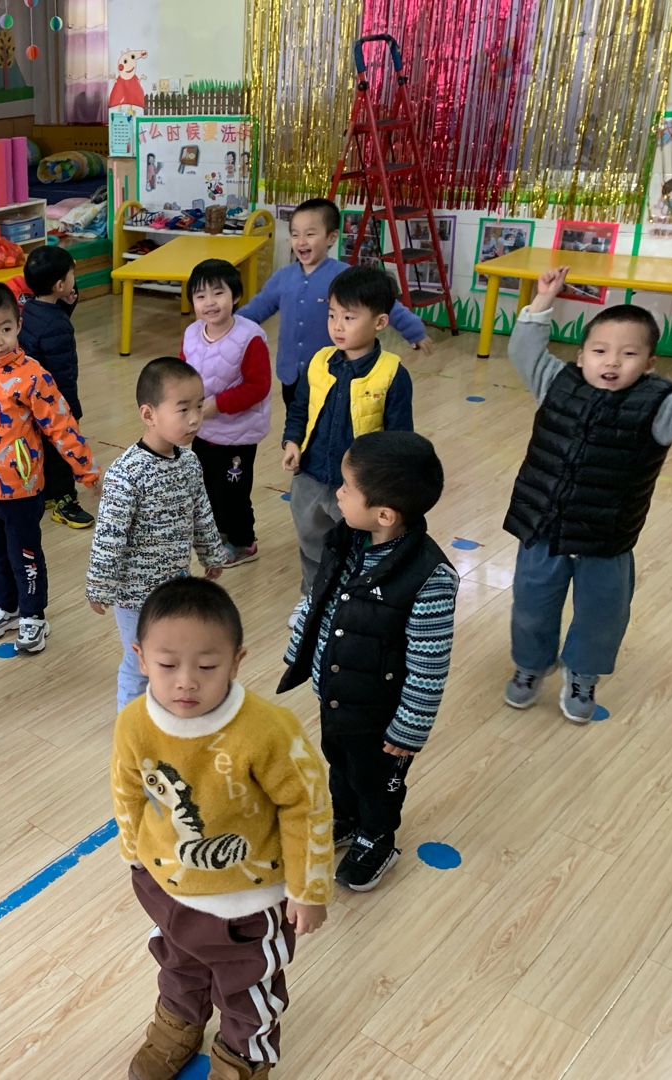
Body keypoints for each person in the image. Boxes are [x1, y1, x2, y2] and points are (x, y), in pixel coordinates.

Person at [112, 578, 331, 1080]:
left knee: (248, 990)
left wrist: (309, 888)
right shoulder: (134, 722)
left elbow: (308, 806)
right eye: (168, 665)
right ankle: (179, 1022)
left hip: (248, 904)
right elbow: (127, 788)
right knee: (176, 962)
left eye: (207, 666)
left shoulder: (270, 730)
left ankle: (241, 1059)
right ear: (141, 659)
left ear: (236, 662)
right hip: (168, 886)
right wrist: (134, 855)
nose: (186, 681)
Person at [502, 267, 672, 720]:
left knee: (602, 615)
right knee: (531, 606)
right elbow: (523, 350)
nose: (612, 362)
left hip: (607, 537)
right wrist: (542, 301)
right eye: (600, 350)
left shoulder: (659, 406)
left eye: (629, 354)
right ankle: (531, 665)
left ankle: (583, 674)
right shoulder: (556, 382)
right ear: (581, 355)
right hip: (543, 526)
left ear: (650, 364)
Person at [278, 431, 457, 891]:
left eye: (346, 488)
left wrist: (410, 727)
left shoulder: (429, 577)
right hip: (339, 695)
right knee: (340, 763)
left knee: (376, 780)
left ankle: (377, 835)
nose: (337, 493)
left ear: (384, 514)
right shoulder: (348, 539)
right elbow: (320, 597)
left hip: (383, 713)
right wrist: (301, 645)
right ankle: (346, 816)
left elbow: (430, 664)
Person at [0, 283, 99, 654]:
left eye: (5, 329)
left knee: (25, 557)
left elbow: (61, 424)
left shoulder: (32, 375)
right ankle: (7, 607)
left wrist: (85, 469)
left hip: (20, 489)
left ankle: (33, 615)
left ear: (18, 325)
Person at [87, 358, 226, 708]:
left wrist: (211, 553)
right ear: (149, 414)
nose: (195, 418)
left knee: (170, 657)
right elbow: (109, 537)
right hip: (135, 598)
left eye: (199, 406)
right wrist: (100, 585)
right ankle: (132, 724)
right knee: (140, 662)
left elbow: (201, 512)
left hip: (174, 588)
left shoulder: (189, 463)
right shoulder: (126, 474)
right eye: (183, 409)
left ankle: (164, 712)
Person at [281, 266, 414, 626]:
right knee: (311, 542)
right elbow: (299, 409)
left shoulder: (392, 373)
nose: (337, 326)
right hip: (310, 476)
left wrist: (385, 488)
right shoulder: (318, 363)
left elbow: (400, 438)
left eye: (349, 317)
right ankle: (312, 598)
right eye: (332, 315)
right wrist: (292, 442)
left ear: (380, 322)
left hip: (357, 487)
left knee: (357, 548)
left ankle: (349, 605)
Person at [239, 197, 431, 407]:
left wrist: (414, 331)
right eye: (295, 234)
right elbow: (256, 309)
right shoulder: (283, 278)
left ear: (331, 237)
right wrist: (225, 326)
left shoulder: (344, 276)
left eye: (310, 234)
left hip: (333, 373)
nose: (301, 242)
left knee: (329, 421)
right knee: (295, 421)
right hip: (291, 375)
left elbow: (383, 301)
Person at [181, 259, 272, 567]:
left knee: (234, 492)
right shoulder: (192, 333)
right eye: (200, 296)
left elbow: (258, 386)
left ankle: (244, 542)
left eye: (218, 293)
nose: (209, 302)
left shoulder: (250, 337)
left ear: (236, 296)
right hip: (204, 430)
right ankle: (220, 534)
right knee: (207, 487)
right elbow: (183, 375)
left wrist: (217, 404)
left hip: (238, 435)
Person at [19, 244, 95, 529]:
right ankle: (65, 501)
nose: (75, 279)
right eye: (72, 274)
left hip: (34, 401)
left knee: (47, 449)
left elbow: (50, 329)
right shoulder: (56, 325)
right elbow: (62, 372)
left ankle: (50, 493)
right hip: (55, 402)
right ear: (60, 285)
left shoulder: (31, 309)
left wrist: (67, 304)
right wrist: (70, 410)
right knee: (63, 451)